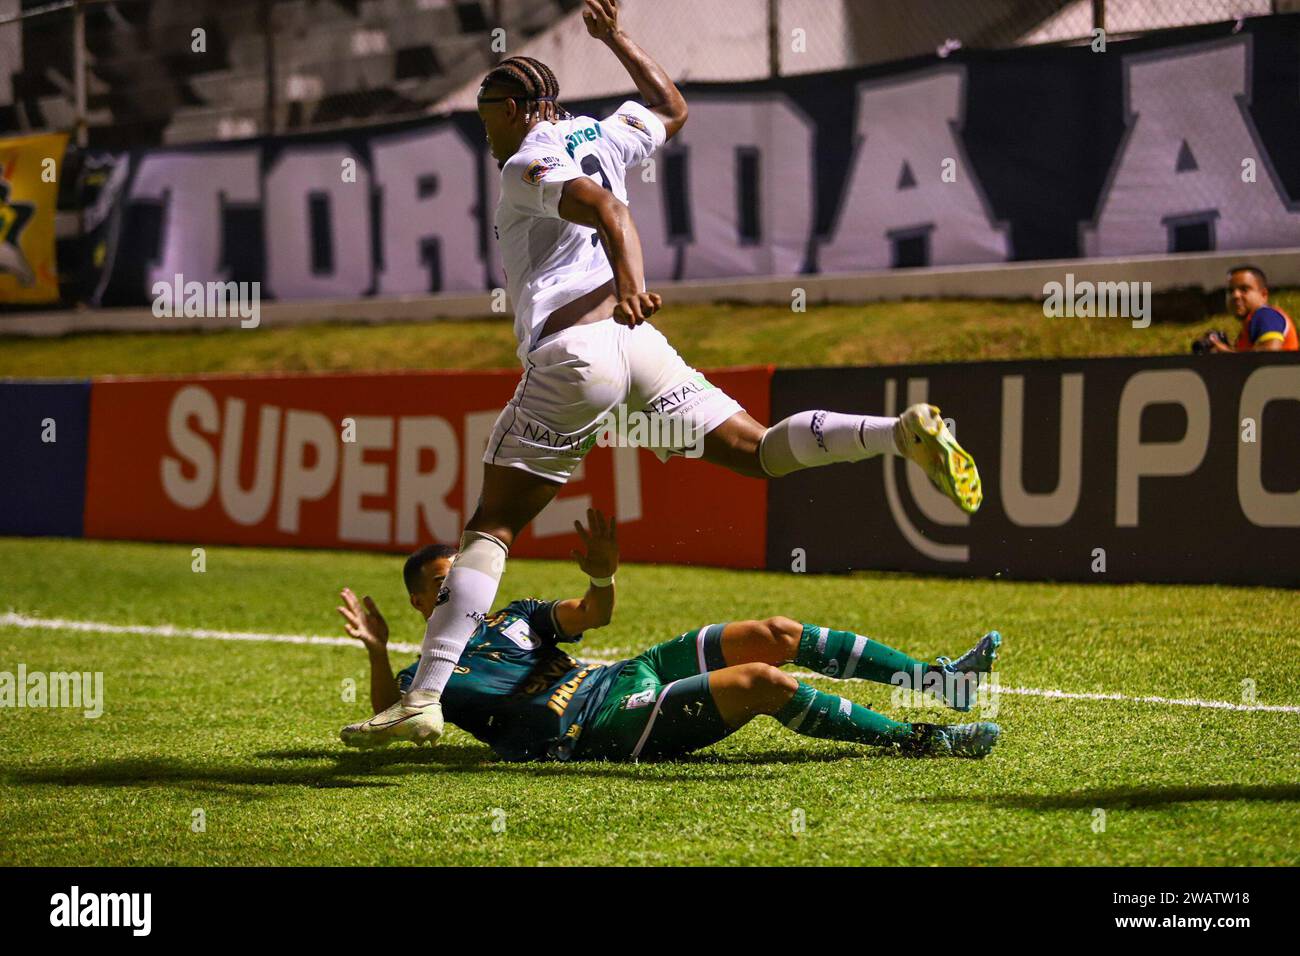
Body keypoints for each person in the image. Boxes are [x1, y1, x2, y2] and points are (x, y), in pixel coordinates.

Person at [342, 0, 983, 747]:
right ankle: (895, 434)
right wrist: (617, 38)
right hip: (633, 349)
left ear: (516, 109)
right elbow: (671, 108)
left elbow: (609, 210)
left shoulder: (525, 165)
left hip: (579, 347)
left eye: (486, 112)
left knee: (493, 524)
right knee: (759, 450)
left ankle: (425, 697)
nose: (481, 128)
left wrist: (633, 280)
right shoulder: (600, 130)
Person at [339, 510, 1002, 761]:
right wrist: (376, 649)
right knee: (763, 684)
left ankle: (939, 680)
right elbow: (386, 720)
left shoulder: (514, 616)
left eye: (467, 578)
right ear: (423, 601)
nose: (466, 591)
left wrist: (604, 574)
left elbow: (591, 614)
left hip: (625, 674)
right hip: (597, 729)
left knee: (776, 632)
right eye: (448, 586)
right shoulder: (430, 676)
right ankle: (923, 741)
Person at [1200, 265, 1297, 353]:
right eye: (1230, 291)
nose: (1235, 295)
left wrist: (1227, 352)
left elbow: (1270, 352)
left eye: (1244, 289)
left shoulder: (1266, 315)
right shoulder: (1250, 324)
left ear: (1263, 294)